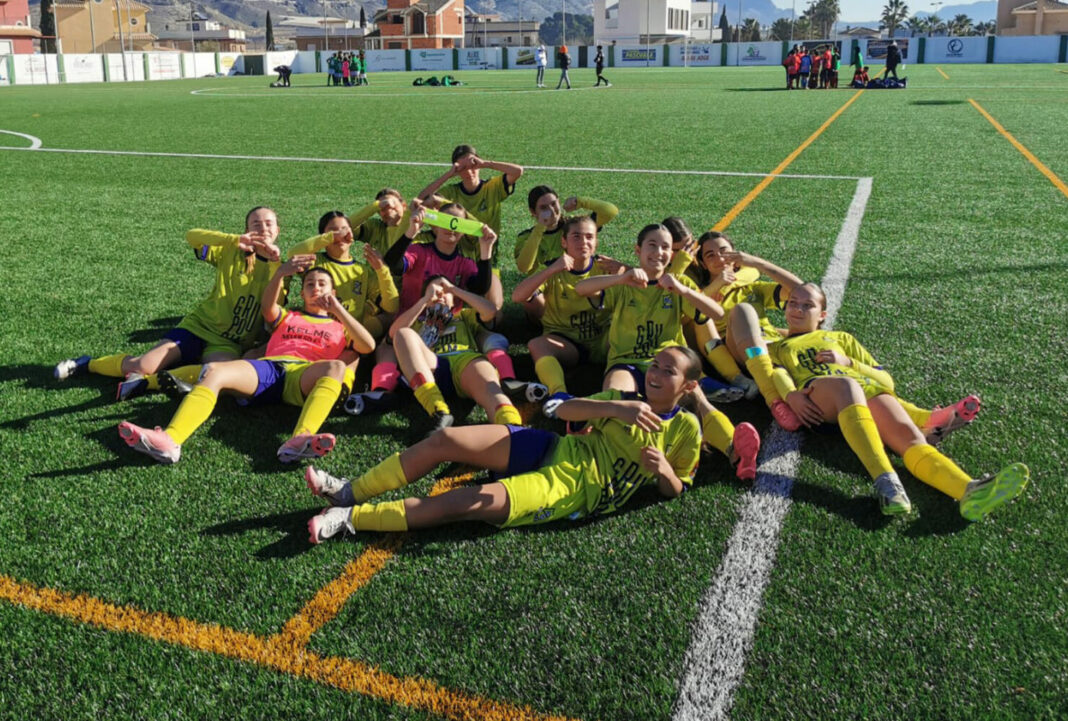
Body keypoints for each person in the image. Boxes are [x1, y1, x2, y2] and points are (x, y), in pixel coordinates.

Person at [306, 346, 704, 543]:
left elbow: (676, 489)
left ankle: (352, 519)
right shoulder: (624, 402)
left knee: (462, 503)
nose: (655, 374)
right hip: (556, 449)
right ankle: (348, 491)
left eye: (668, 371)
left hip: (573, 490)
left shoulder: (686, 430)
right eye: (654, 365)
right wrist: (621, 412)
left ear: (687, 386)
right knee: (446, 438)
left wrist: (665, 471)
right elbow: (563, 412)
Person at [771, 283, 1026, 520]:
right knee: (846, 386)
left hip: (867, 389)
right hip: (821, 394)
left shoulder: (841, 338)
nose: (798, 309)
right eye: (793, 302)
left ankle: (968, 490)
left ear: (823, 315)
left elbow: (885, 379)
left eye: (808, 305)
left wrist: (849, 362)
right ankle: (887, 483)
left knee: (910, 437)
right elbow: (773, 371)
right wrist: (790, 395)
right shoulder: (778, 345)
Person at [117, 258, 376, 465]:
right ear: (302, 291)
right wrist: (280, 274)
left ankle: (301, 438)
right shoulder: (289, 316)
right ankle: (170, 440)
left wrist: (338, 310)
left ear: (333, 292)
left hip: (304, 376)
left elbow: (368, 345)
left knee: (336, 367)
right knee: (215, 372)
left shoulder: (340, 327)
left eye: (322, 284)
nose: (316, 288)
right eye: (310, 284)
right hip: (269, 368)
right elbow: (267, 308)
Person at [55, 207, 282, 393]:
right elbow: (192, 236)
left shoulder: (283, 269)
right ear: (247, 230)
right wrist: (234, 239)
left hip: (229, 342)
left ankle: (154, 381)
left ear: (277, 230)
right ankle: (87, 363)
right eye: (256, 224)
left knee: (218, 377)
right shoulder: (230, 251)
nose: (263, 228)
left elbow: (273, 311)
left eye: (268, 223)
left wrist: (276, 266)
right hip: (199, 327)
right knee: (143, 365)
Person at [574, 224, 725, 394]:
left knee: (698, 402)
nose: (659, 252)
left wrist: (683, 290)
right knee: (615, 396)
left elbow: (718, 314)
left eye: (665, 247)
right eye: (652, 245)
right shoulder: (624, 282)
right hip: (626, 362)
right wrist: (620, 278)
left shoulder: (678, 283)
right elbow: (580, 288)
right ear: (638, 250)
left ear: (671, 254)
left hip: (669, 362)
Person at [693, 231, 806, 430]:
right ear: (703, 264)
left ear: (736, 256)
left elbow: (802, 291)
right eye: (710, 255)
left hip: (773, 345)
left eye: (724, 251)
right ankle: (774, 400)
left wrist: (757, 263)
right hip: (743, 352)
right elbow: (693, 314)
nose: (719, 257)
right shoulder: (700, 294)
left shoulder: (751, 287)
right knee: (742, 310)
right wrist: (718, 285)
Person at [512, 216, 621, 411]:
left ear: (596, 242)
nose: (584, 242)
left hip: (604, 340)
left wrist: (627, 270)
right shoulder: (553, 269)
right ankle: (559, 394)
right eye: (576, 236)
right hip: (567, 343)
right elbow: (517, 296)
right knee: (536, 344)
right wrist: (552, 269)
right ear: (564, 242)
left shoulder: (607, 267)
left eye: (589, 237)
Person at [391, 276, 524, 433]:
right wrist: (425, 301)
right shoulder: (418, 323)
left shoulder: (463, 316)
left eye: (444, 291)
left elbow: (490, 312)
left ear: (454, 300)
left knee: (491, 389)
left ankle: (513, 428)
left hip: (466, 362)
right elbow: (394, 333)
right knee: (403, 334)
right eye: (434, 291)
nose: (440, 294)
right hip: (433, 366)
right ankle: (438, 410)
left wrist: (453, 289)